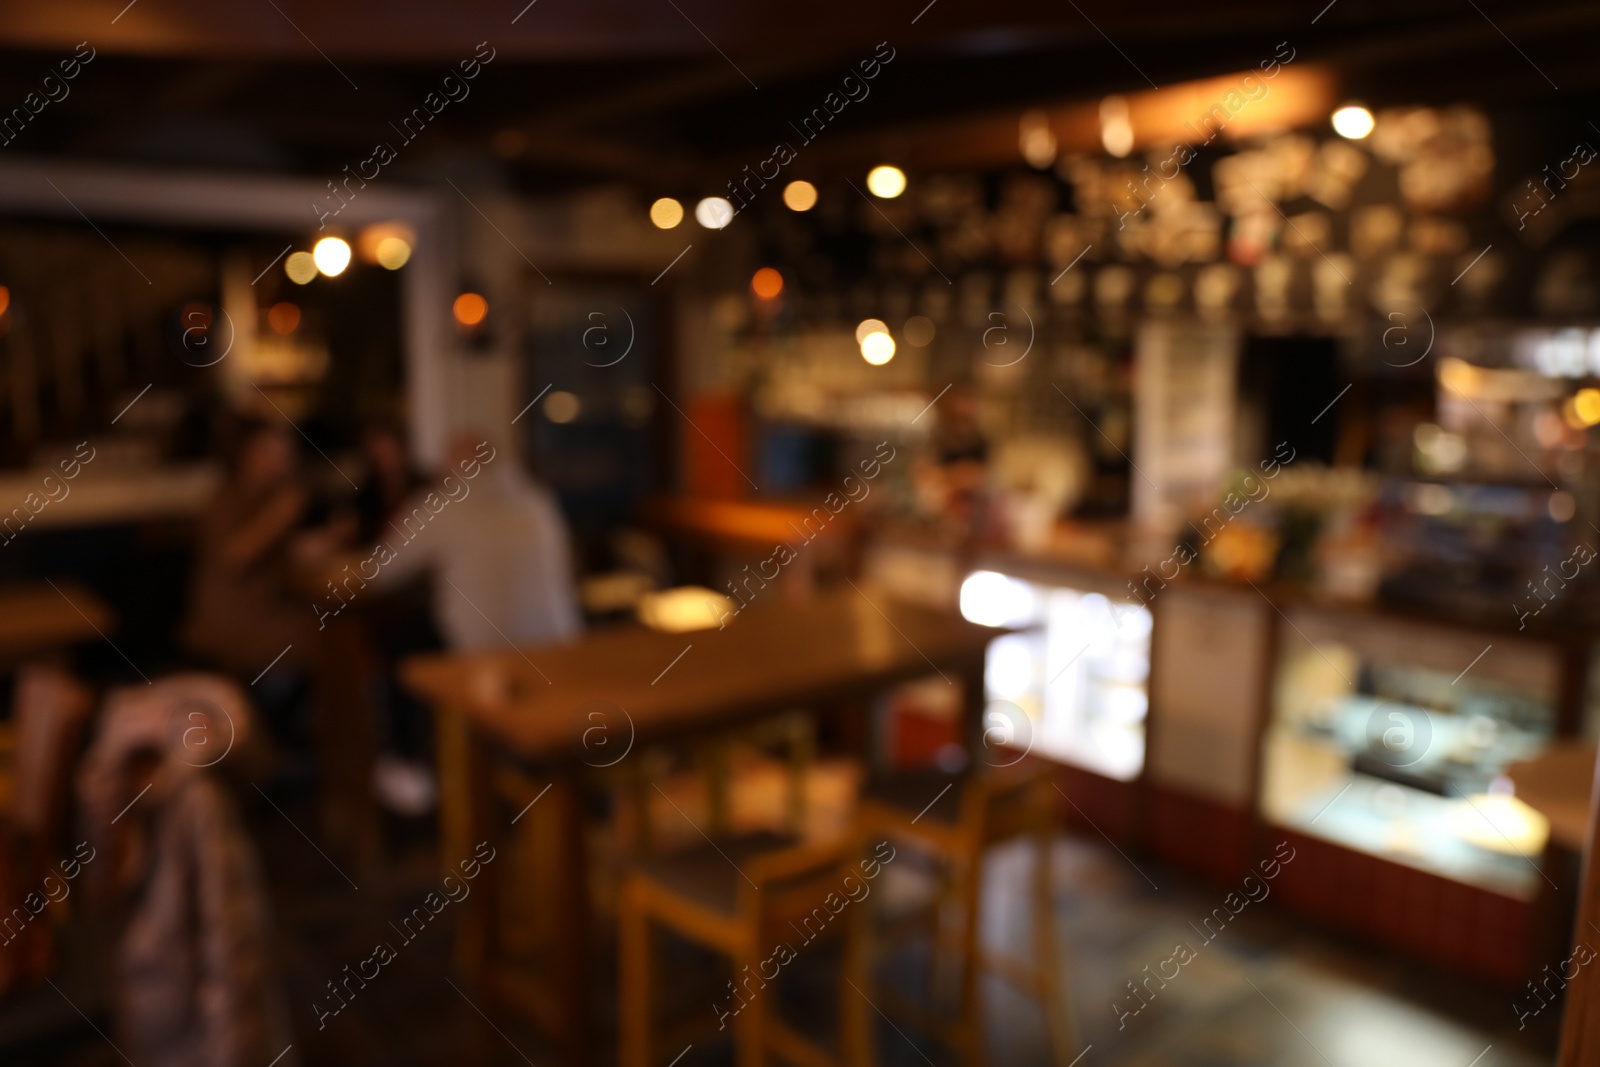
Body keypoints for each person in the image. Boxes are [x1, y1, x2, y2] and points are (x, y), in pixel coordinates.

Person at [375, 432, 582, 650]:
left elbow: (381, 571)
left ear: (450, 466)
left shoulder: (441, 505)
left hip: (484, 654)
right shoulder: (539, 501)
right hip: (560, 642)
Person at [181, 422, 314, 680]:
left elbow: (279, 553)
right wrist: (282, 514)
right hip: (232, 620)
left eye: (286, 457)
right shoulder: (224, 499)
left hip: (266, 610)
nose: (280, 464)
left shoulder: (268, 497)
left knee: (329, 630)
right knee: (325, 635)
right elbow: (234, 555)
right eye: (270, 454)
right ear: (245, 455)